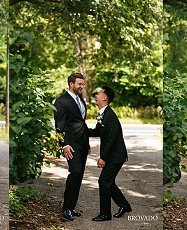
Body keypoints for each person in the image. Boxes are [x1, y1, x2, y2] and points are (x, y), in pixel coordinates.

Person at [86, 86, 131, 222]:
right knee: (108, 182)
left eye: (98, 94)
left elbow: (111, 140)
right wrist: (80, 129)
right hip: (112, 155)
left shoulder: (110, 116)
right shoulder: (102, 113)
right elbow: (97, 132)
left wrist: (103, 158)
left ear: (104, 98)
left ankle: (105, 214)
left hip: (116, 155)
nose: (95, 96)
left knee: (104, 182)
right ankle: (124, 205)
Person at [54, 73, 89, 221]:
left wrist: (86, 144)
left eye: (83, 84)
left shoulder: (81, 100)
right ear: (71, 84)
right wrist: (64, 145)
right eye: (79, 84)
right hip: (71, 145)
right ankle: (66, 208)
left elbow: (82, 123)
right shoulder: (61, 101)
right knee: (75, 172)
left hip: (82, 144)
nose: (81, 86)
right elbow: (59, 126)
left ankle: (72, 207)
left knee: (79, 175)